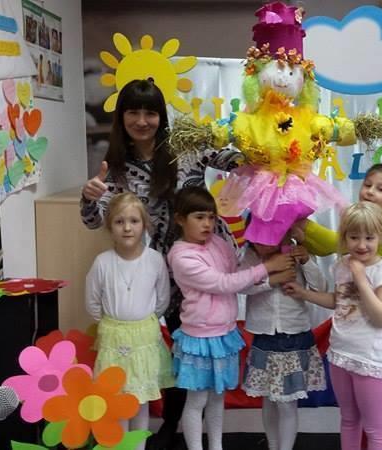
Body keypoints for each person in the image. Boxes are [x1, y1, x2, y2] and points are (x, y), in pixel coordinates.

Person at [80, 78, 239, 450]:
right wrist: (88, 198)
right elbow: (95, 221)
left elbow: (234, 161)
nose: (142, 121)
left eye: (150, 112)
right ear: (121, 117)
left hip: (204, 263)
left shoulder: (186, 146)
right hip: (155, 271)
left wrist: (254, 139)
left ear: (161, 116)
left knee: (199, 350)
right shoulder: (115, 168)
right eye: (133, 112)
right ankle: (170, 422)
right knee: (164, 353)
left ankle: (187, 427)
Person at [167, 187, 294, 450]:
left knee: (217, 398)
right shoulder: (181, 256)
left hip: (224, 334)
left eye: (211, 217)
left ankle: (216, 446)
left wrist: (269, 268)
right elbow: (224, 283)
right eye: (199, 217)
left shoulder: (218, 243)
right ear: (179, 219)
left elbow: (238, 275)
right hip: (199, 338)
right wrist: (268, 267)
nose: (207, 224)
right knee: (197, 401)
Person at [291, 163, 382, 450]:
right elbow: (338, 301)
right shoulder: (342, 265)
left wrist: (361, 279)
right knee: (349, 420)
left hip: (370, 357)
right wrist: (304, 293)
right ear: (345, 238)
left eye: (369, 238)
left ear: (381, 237)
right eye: (354, 237)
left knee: (375, 428)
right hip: (341, 352)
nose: (361, 245)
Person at [85, 193, 175, 450]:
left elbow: (162, 299)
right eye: (119, 221)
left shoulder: (154, 260)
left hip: (144, 338)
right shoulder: (102, 263)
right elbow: (92, 302)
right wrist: (113, 325)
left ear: (144, 225)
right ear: (109, 227)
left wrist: (142, 322)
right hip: (114, 338)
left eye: (134, 221)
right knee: (117, 400)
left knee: (140, 400)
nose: (127, 228)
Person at [240, 233, 327, 450]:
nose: (261, 245)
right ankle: (273, 445)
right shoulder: (250, 255)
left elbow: (321, 287)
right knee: (269, 399)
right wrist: (271, 279)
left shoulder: (297, 252)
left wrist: (306, 261)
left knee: (287, 403)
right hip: (264, 337)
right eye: (256, 240)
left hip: (294, 336)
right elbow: (241, 285)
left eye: (267, 239)